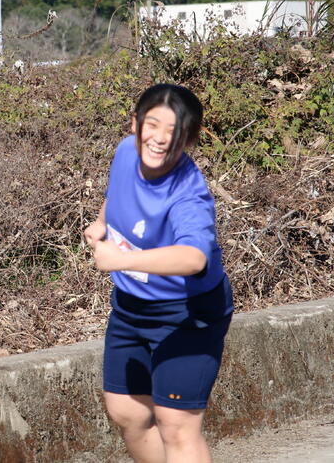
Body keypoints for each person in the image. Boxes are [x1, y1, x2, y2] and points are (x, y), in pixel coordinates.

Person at [84, 83, 233, 463]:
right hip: (131, 307)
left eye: (174, 131)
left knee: (176, 424)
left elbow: (193, 258)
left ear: (190, 139)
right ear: (135, 123)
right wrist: (101, 223)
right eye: (152, 125)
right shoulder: (125, 151)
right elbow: (117, 194)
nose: (160, 139)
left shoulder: (188, 194)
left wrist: (121, 260)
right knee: (128, 413)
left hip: (188, 314)